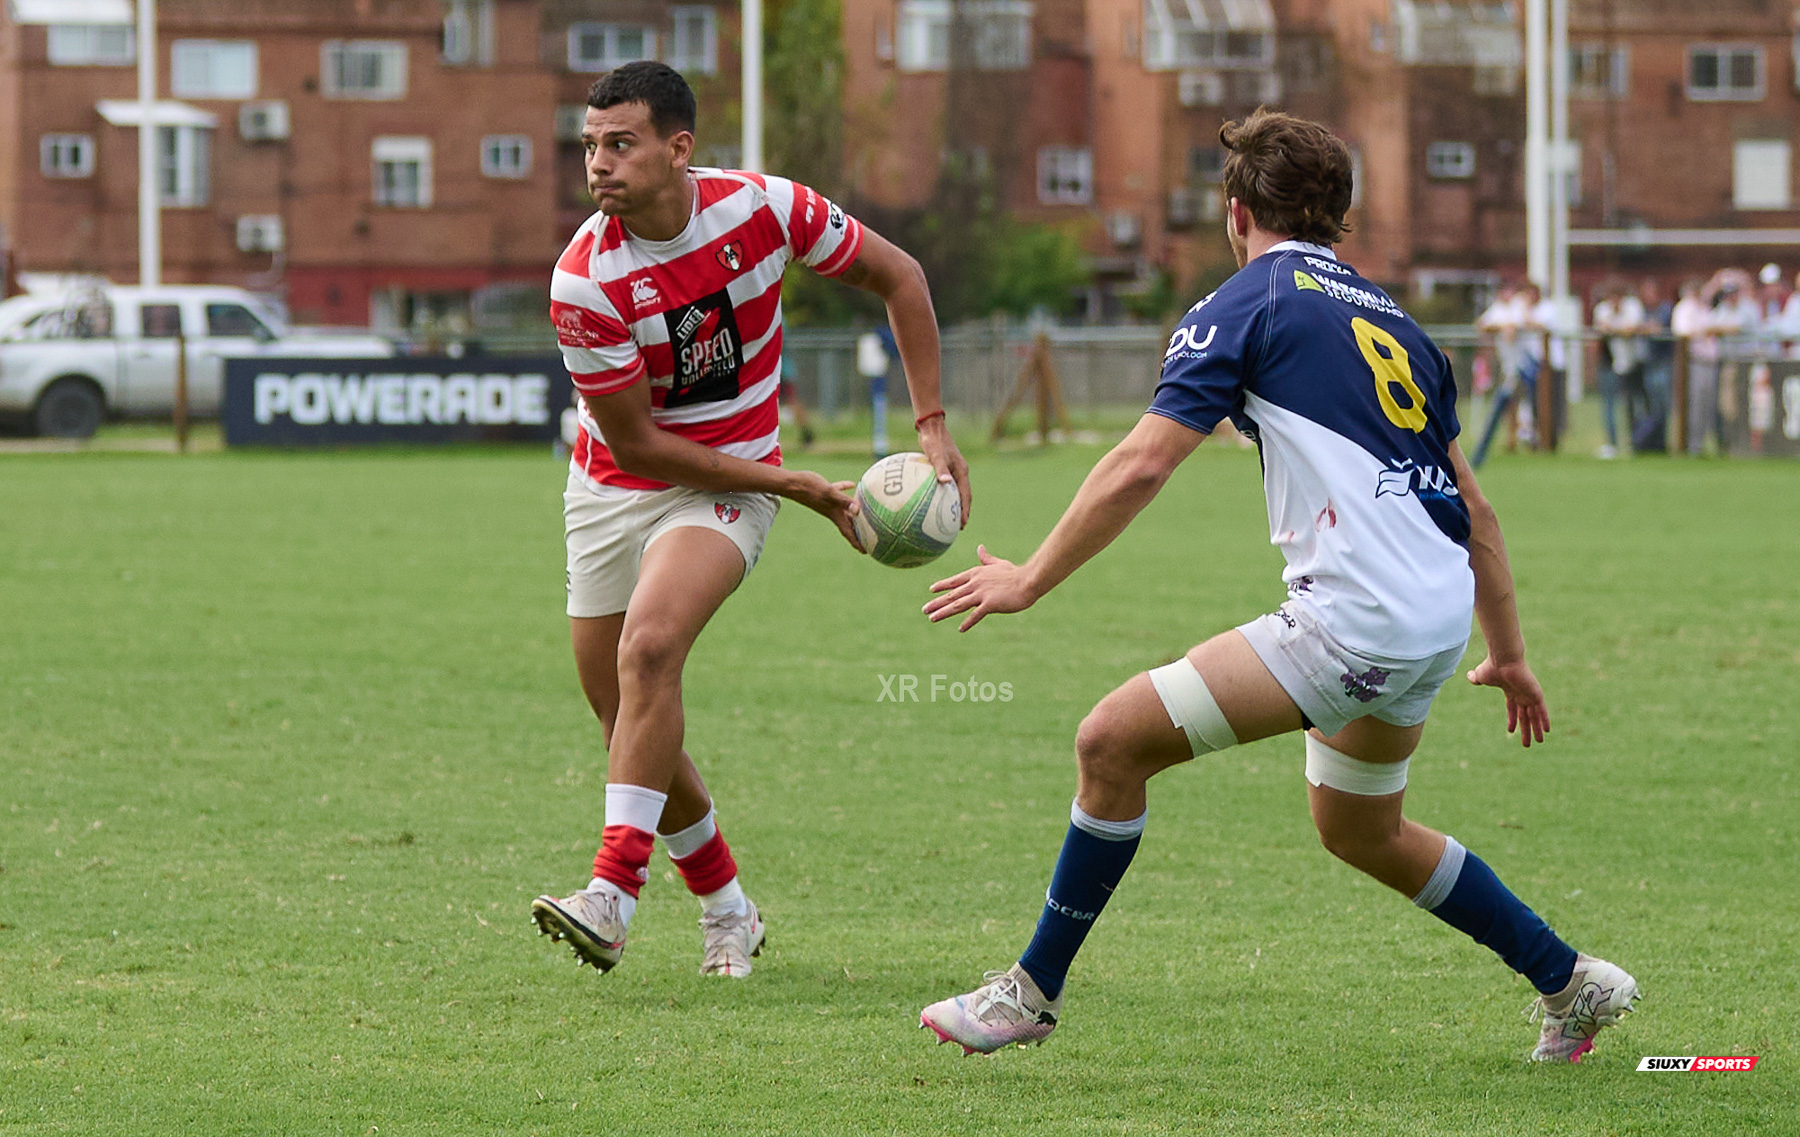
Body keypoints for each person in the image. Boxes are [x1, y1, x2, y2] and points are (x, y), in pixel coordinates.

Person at [915, 109, 1638, 1064]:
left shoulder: (1242, 304)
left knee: (1108, 743)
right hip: (1435, 616)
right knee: (1361, 828)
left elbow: (1140, 463)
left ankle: (1028, 994)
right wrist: (1507, 653)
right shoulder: (1403, 327)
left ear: (1236, 209)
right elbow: (1479, 511)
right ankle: (1571, 979)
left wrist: (1031, 579)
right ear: (1335, 213)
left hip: (1355, 619)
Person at [532, 63, 971, 978]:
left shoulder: (768, 209)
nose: (598, 166)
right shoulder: (584, 281)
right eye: (590, 147)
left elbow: (902, 276)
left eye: (620, 144)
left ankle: (610, 896)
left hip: (726, 488)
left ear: (678, 148)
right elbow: (642, 448)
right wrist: (807, 486)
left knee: (650, 651)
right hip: (616, 486)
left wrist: (930, 424)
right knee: (626, 715)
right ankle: (729, 908)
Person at [1470, 282, 1539, 466]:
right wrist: (1501, 327)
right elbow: (1481, 326)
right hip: (1510, 371)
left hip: (1525, 368)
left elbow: (1519, 326)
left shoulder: (1519, 306)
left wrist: (1508, 327)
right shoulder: (1498, 309)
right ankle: (1481, 453)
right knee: (1500, 408)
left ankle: (1533, 442)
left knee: (1532, 407)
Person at [1591, 280, 1649, 457]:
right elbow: (1601, 328)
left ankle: (1634, 443)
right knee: (1609, 405)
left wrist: (1614, 328)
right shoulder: (1601, 309)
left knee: (1632, 405)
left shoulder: (1633, 307)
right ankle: (1612, 444)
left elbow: (1630, 329)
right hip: (1608, 362)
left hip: (1631, 364)